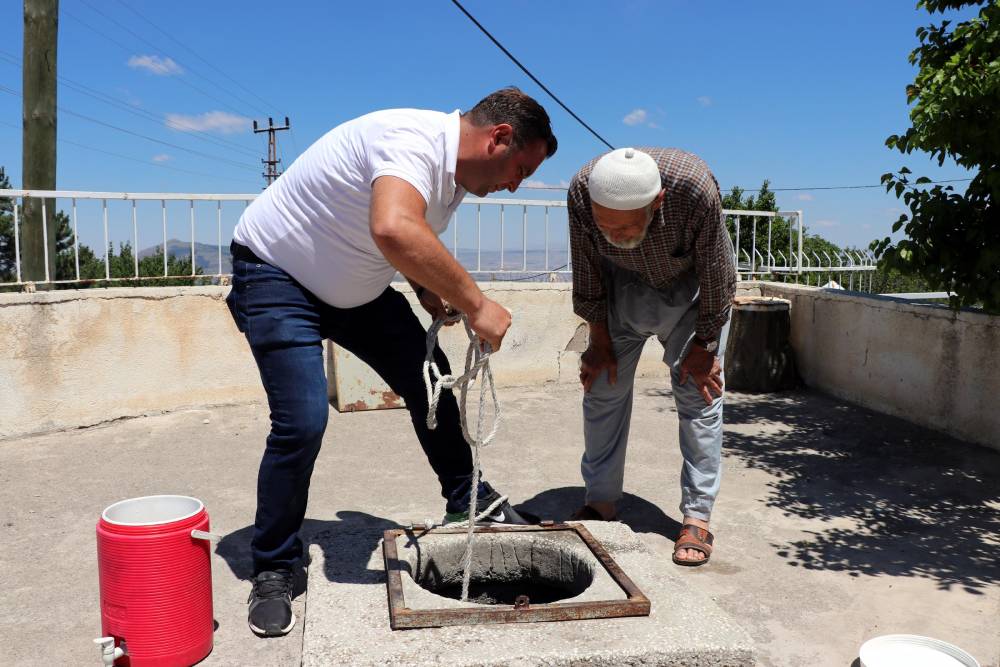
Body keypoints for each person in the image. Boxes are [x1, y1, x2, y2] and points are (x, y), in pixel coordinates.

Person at [225, 87, 557, 636]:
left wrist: (425, 287)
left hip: (355, 292)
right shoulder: (413, 141)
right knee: (302, 421)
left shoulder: (451, 177)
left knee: (427, 379)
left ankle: (468, 498)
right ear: (498, 138)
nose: (516, 185)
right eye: (520, 168)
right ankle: (274, 565)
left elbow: (397, 234)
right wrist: (475, 303)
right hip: (277, 276)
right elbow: (394, 226)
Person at [566, 147, 735, 567]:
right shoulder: (580, 193)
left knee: (700, 396)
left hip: (694, 289)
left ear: (657, 203)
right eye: (606, 227)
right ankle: (601, 502)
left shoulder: (694, 190)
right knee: (602, 386)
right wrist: (597, 341)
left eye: (625, 228)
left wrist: (705, 346)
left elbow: (718, 273)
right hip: (621, 287)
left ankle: (697, 516)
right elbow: (587, 269)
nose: (615, 236)